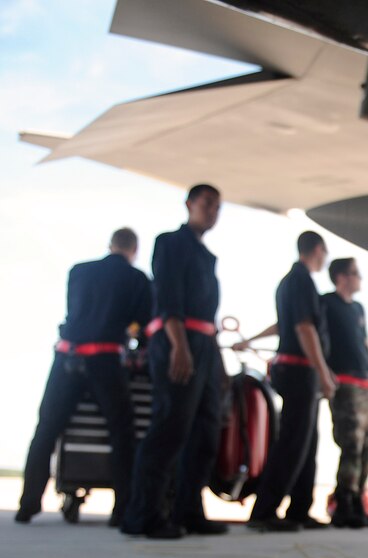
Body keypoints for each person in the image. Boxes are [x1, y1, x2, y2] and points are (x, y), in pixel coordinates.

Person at [17, 228, 152, 526]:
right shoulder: (137, 280)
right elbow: (143, 326)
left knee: (47, 430)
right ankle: (122, 508)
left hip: (68, 356)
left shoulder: (79, 271)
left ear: (111, 244)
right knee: (122, 432)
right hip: (106, 360)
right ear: (134, 250)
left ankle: (27, 505)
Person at [123, 184, 227, 539]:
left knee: (206, 430)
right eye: (207, 204)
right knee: (170, 428)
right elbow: (168, 299)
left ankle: (188, 511)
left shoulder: (205, 256)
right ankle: (144, 515)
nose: (213, 211)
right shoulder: (170, 243)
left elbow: (209, 316)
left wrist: (217, 363)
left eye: (218, 206)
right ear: (189, 204)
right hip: (176, 340)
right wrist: (179, 347)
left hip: (205, 346)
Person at [236, 231, 335, 532]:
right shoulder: (301, 280)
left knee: (306, 442)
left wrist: (250, 339)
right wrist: (323, 372)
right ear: (317, 250)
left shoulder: (290, 282)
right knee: (293, 442)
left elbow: (284, 324)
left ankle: (299, 509)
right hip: (300, 372)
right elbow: (304, 329)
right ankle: (264, 511)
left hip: (299, 371)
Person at [323, 257, 368, 528]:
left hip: (365, 385)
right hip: (344, 386)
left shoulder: (358, 308)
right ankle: (343, 503)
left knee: (367, 445)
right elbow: (300, 328)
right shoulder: (326, 303)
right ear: (342, 276)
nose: (360, 279)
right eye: (356, 274)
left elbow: (365, 344)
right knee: (351, 446)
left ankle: (357, 500)